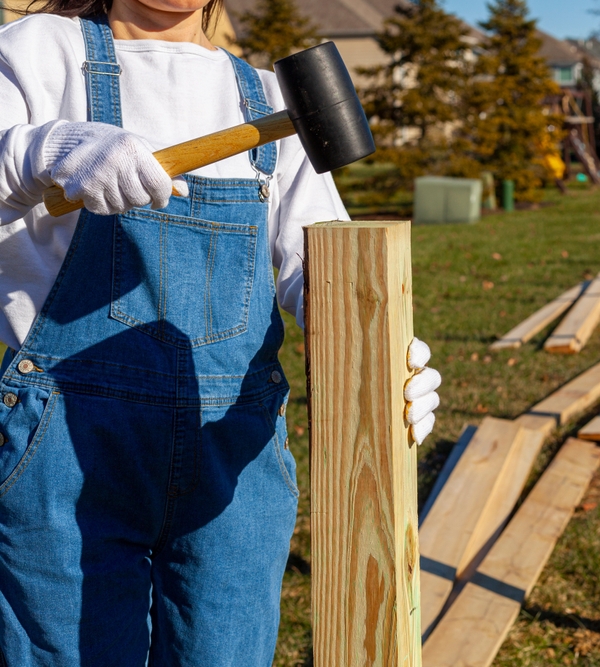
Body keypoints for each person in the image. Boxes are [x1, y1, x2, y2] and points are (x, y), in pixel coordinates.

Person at [0, 0, 441, 664]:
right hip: (66, 438)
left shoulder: (263, 98)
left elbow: (323, 273)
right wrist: (43, 150)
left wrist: (382, 357)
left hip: (232, 455)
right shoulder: (39, 49)